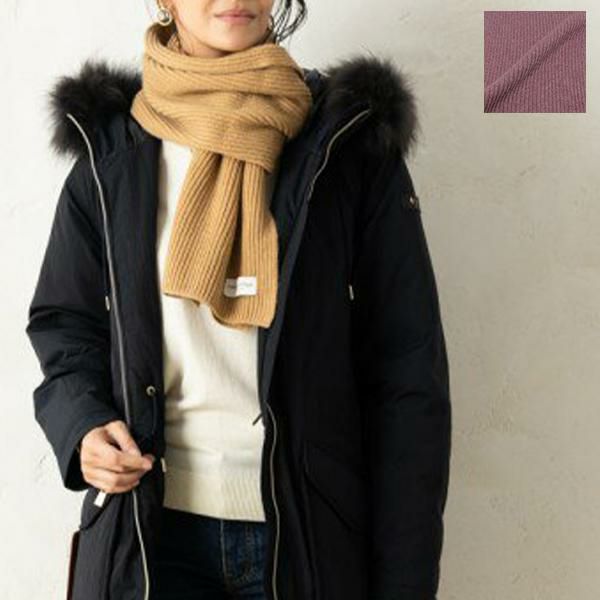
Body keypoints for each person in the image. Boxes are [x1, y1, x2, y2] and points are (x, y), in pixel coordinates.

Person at [25, 1, 452, 599]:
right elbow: (64, 323)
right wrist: (83, 426)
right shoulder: (112, 150)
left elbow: (407, 372)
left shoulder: (347, 144)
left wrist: (405, 583)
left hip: (308, 541)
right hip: (150, 538)